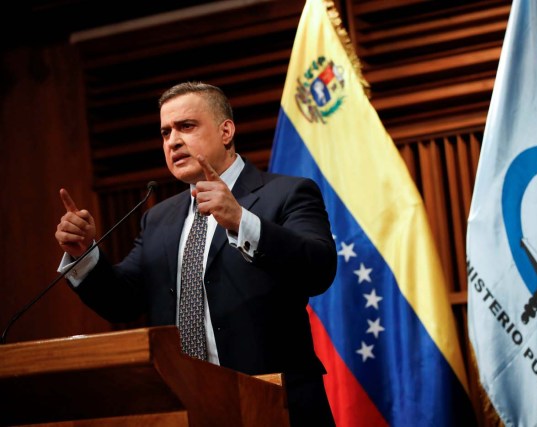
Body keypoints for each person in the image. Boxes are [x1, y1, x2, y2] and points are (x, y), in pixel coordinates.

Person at [55, 82, 337, 426]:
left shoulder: (287, 193)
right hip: (186, 406)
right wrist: (85, 255)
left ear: (226, 131)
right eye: (165, 132)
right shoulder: (159, 217)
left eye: (186, 126)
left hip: (276, 404)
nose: (172, 140)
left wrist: (241, 222)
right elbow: (123, 301)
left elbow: (319, 270)